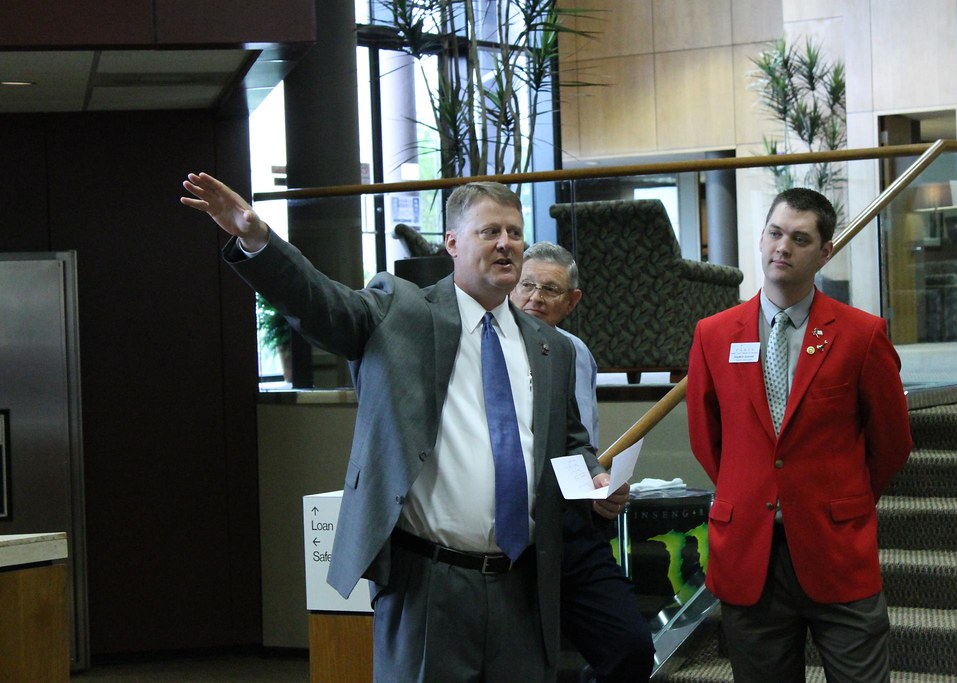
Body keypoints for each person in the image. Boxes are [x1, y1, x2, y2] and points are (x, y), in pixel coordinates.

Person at [180, 173, 627, 682]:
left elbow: (569, 441)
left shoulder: (552, 348)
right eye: (489, 232)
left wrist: (592, 480)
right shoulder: (401, 311)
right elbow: (320, 304)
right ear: (452, 243)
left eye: (514, 232)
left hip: (524, 586)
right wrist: (258, 239)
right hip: (427, 585)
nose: (506, 244)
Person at [685, 187, 913, 682]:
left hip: (836, 547)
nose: (782, 247)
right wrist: (751, 489)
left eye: (800, 238)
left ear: (825, 251)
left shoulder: (862, 334)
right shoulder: (714, 334)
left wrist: (843, 496)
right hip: (750, 554)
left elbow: (892, 441)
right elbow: (707, 438)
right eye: (774, 232)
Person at [511, 242, 655, 682]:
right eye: (527, 285)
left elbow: (579, 441)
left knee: (630, 647)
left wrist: (598, 482)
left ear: (571, 301)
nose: (535, 298)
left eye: (550, 290)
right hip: (508, 530)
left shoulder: (574, 353)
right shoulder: (487, 345)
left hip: (571, 528)